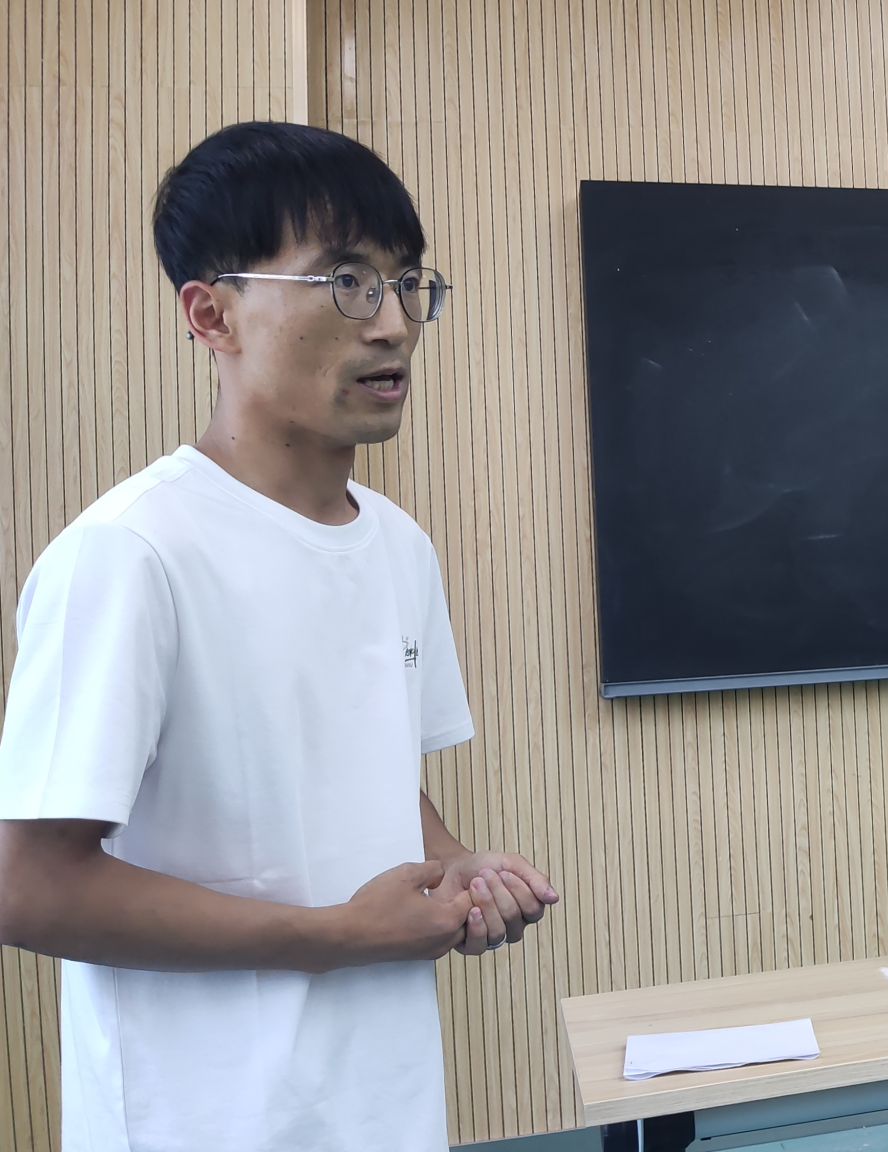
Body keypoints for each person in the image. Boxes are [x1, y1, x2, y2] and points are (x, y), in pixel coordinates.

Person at [0, 121, 558, 1152]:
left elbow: (370, 780)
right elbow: (28, 886)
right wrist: (332, 937)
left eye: (408, 283)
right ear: (211, 314)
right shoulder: (130, 554)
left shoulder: (398, 546)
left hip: (384, 1103)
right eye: (345, 282)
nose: (391, 324)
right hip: (201, 1118)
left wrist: (459, 874)